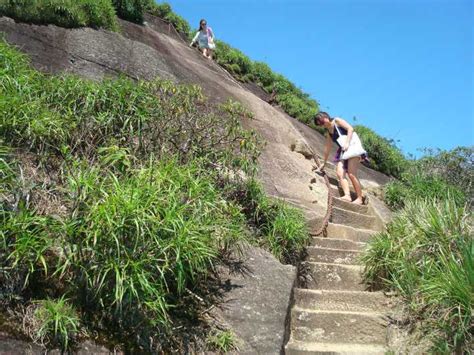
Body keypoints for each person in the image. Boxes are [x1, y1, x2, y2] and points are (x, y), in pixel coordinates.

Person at [314, 112, 367, 205]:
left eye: (322, 122)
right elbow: (328, 148)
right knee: (339, 172)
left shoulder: (337, 121)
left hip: (352, 147)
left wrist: (347, 142)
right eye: (320, 124)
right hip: (344, 151)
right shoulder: (329, 132)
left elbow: (350, 128)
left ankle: (359, 198)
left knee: (351, 174)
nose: (323, 125)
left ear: (325, 117)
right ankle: (347, 195)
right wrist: (324, 163)